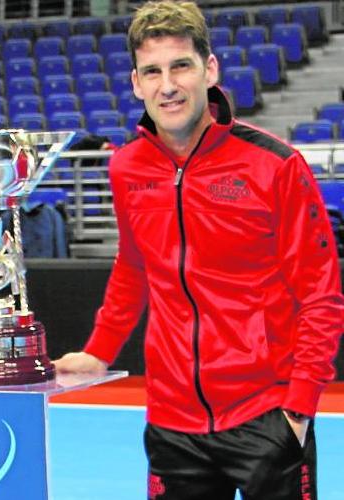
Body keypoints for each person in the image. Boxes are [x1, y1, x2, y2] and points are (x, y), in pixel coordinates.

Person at [54, 1, 344, 499]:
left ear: (209, 69)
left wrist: (299, 406)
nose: (168, 85)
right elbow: (134, 266)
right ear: (136, 83)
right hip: (172, 422)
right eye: (153, 71)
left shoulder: (275, 165)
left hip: (266, 416)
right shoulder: (126, 167)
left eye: (181, 66)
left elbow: (321, 293)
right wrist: (100, 351)